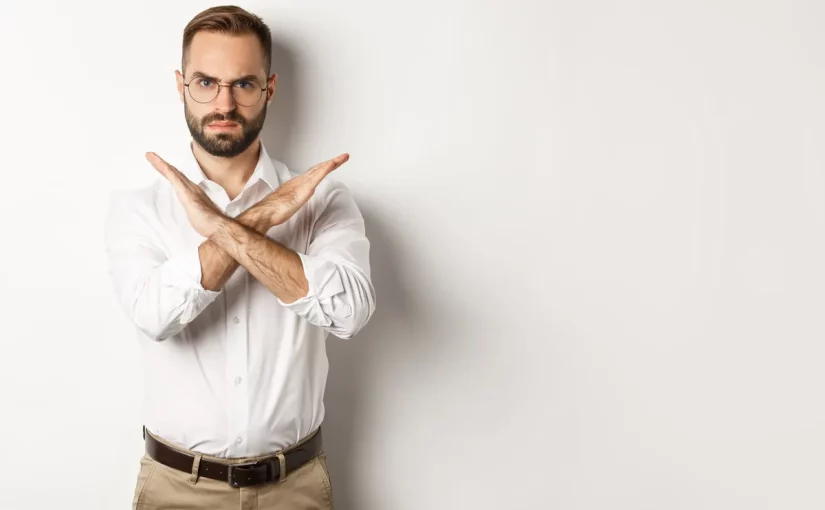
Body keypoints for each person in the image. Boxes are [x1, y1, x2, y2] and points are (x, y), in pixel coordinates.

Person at [103, 5, 376, 509]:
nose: (224, 103)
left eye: (244, 85)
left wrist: (230, 229)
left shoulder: (322, 201)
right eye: (206, 82)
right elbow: (155, 315)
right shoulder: (139, 208)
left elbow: (350, 313)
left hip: (295, 489)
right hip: (176, 490)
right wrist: (260, 218)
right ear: (181, 84)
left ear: (269, 88)